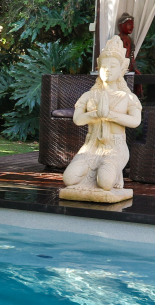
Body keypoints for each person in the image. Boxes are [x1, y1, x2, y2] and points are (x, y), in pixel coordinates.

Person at [61, 36, 143, 202]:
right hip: (91, 147)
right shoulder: (88, 95)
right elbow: (78, 119)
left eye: (113, 66)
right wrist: (95, 114)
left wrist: (110, 115)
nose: (107, 70)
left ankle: (115, 174)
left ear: (121, 69)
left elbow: (135, 121)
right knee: (69, 179)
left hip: (115, 148)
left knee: (105, 182)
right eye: (104, 66)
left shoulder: (128, 97)